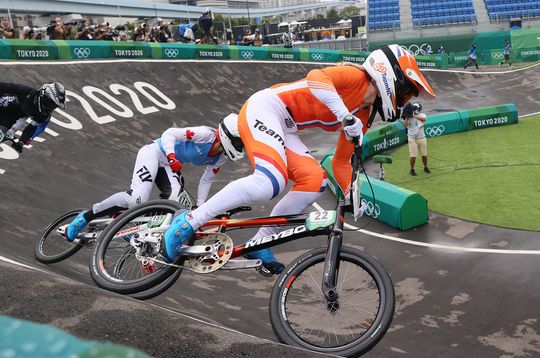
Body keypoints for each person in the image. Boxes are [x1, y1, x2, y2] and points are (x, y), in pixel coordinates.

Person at [161, 44, 436, 274]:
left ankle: (260, 243)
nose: (404, 100)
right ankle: (189, 222)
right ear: (388, 75)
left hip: (286, 125)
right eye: (406, 91)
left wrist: (354, 193)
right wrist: (344, 115)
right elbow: (317, 77)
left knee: (315, 180)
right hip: (266, 108)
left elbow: (341, 162)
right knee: (268, 182)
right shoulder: (355, 76)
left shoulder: (364, 115)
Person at [65, 121, 232, 241]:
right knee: (137, 198)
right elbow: (169, 133)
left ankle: (139, 227)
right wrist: (172, 156)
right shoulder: (205, 135)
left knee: (176, 200)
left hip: (167, 165)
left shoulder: (221, 158)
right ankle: (85, 217)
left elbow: (207, 179)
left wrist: (200, 204)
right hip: (155, 153)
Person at [0, 82, 66, 152]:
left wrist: (21, 142)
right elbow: (2, 86)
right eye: (50, 104)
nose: (50, 108)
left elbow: (31, 128)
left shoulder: (43, 115)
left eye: (54, 106)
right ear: (43, 96)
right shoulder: (24, 90)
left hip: (9, 118)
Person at [402, 102, 430, 176]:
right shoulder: (409, 117)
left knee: (424, 155)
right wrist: (407, 117)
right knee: (413, 156)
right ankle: (412, 169)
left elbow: (423, 119)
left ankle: (425, 167)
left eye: (417, 109)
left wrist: (414, 115)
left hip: (422, 138)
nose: (416, 110)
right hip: (412, 139)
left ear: (419, 109)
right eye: (414, 109)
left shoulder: (422, 115)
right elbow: (405, 125)